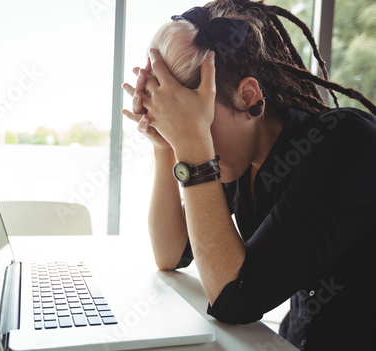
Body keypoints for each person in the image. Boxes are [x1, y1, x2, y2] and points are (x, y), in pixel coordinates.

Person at [121, 1, 376, 350]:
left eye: (197, 125)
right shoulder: (243, 158)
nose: (190, 141)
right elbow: (171, 253)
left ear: (249, 97)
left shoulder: (343, 143)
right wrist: (165, 145)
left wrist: (194, 149)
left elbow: (236, 300)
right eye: (180, 129)